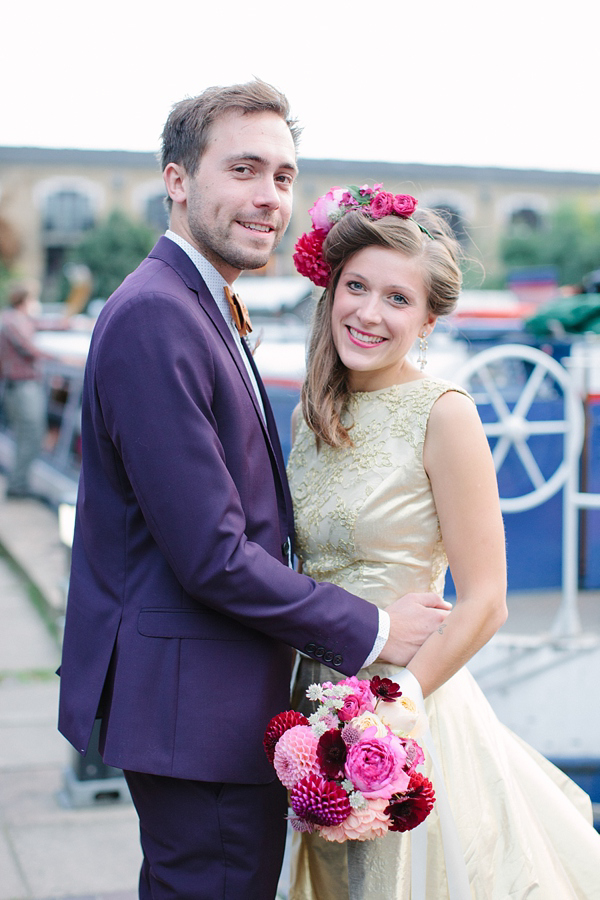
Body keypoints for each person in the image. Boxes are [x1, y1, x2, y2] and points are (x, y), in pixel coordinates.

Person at [57, 82, 451, 900]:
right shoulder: (158, 315)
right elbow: (211, 554)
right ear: (177, 179)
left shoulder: (204, 302)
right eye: (243, 169)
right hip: (193, 711)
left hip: (208, 703)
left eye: (282, 175)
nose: (268, 197)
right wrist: (374, 626)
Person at [286, 185, 600, 899]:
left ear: (428, 319)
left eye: (397, 299)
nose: (368, 312)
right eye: (356, 286)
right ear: (331, 289)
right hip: (309, 711)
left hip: (399, 719)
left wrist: (392, 711)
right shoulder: (311, 416)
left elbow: (486, 600)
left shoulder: (445, 414)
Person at [0, 281, 53, 499]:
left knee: (26, 436)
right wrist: (62, 358)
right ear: (24, 299)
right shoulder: (12, 322)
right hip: (23, 388)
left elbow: (44, 325)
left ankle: (19, 483)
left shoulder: (13, 319)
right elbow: (31, 350)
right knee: (31, 435)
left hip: (16, 388)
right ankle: (18, 486)